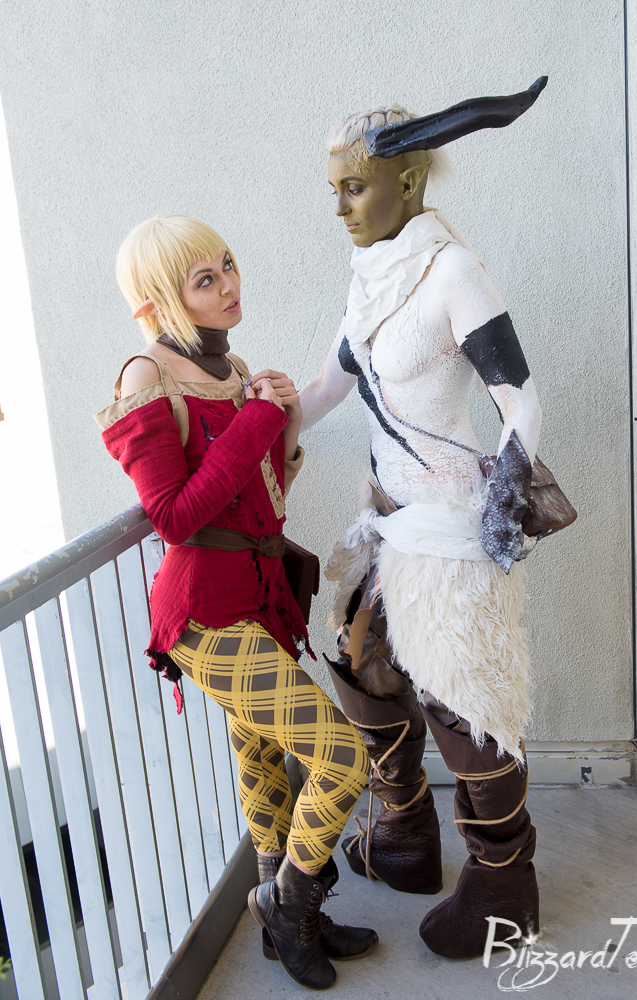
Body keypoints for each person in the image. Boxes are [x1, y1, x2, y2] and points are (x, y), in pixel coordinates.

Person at [299, 83, 548, 959]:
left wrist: (504, 502)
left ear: (406, 183)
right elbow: (327, 389)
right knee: (363, 668)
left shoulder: (452, 273)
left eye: (354, 187)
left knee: (464, 708)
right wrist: (251, 427)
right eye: (334, 189)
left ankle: (505, 885)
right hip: (385, 521)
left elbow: (521, 402)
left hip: (446, 528)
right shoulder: (371, 279)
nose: (340, 207)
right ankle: (404, 837)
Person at [95, 215, 375, 991]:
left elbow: (262, 498)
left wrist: (285, 422)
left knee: (260, 756)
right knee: (341, 755)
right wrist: (258, 418)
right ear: (161, 299)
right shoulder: (145, 378)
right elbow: (174, 518)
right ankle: (285, 904)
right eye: (205, 279)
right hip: (204, 616)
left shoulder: (231, 367)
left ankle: (288, 924)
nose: (229, 285)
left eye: (227, 265)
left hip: (257, 596)